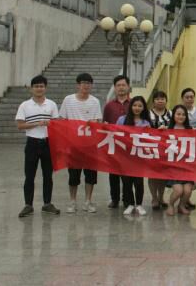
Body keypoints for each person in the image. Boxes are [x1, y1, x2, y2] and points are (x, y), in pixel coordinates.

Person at [16, 75, 61, 218]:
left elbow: (57, 124)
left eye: (41, 86)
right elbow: (20, 125)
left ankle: (47, 204)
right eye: (36, 86)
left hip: (48, 143)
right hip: (32, 143)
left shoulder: (51, 104)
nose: (39, 89)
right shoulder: (25, 105)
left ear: (45, 88)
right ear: (31, 89)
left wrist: (51, 124)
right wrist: (37, 123)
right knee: (29, 176)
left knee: (48, 175)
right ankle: (28, 205)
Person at [59, 72, 102, 214]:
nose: (86, 86)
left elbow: (98, 121)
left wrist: (94, 122)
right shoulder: (68, 100)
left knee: (90, 175)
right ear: (78, 85)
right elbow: (62, 120)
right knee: (73, 175)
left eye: (88, 83)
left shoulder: (95, 101)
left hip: (90, 144)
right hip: (73, 144)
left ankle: (88, 201)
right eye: (83, 83)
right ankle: (72, 201)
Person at [117, 96, 151, 216]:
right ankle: (130, 204)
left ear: (143, 108)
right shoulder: (122, 119)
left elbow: (149, 139)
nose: (137, 108)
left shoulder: (145, 123)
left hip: (139, 157)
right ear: (131, 106)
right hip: (125, 156)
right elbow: (116, 134)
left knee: (138, 182)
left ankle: (139, 205)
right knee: (126, 182)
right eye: (135, 105)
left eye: (140, 106)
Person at [103, 75, 131, 209]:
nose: (121, 88)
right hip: (113, 143)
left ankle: (127, 199)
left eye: (123, 85)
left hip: (129, 144)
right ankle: (114, 199)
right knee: (113, 173)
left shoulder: (134, 104)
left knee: (127, 173)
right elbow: (105, 124)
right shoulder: (109, 106)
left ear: (128, 87)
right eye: (118, 85)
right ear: (114, 88)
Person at [165, 105, 194, 216]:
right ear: (173, 115)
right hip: (173, 167)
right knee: (178, 190)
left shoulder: (190, 130)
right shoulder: (168, 129)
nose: (181, 116)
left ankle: (181, 206)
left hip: (187, 167)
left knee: (187, 190)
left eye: (183, 114)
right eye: (178, 114)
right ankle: (171, 205)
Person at [147, 91, 172, 210]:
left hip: (166, 149)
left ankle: (161, 197)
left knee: (163, 175)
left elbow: (175, 128)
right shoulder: (148, 114)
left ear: (166, 101)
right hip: (151, 148)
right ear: (153, 101)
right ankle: (154, 198)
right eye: (157, 99)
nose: (160, 101)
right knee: (152, 174)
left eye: (162, 99)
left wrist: (167, 129)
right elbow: (144, 129)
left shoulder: (171, 113)